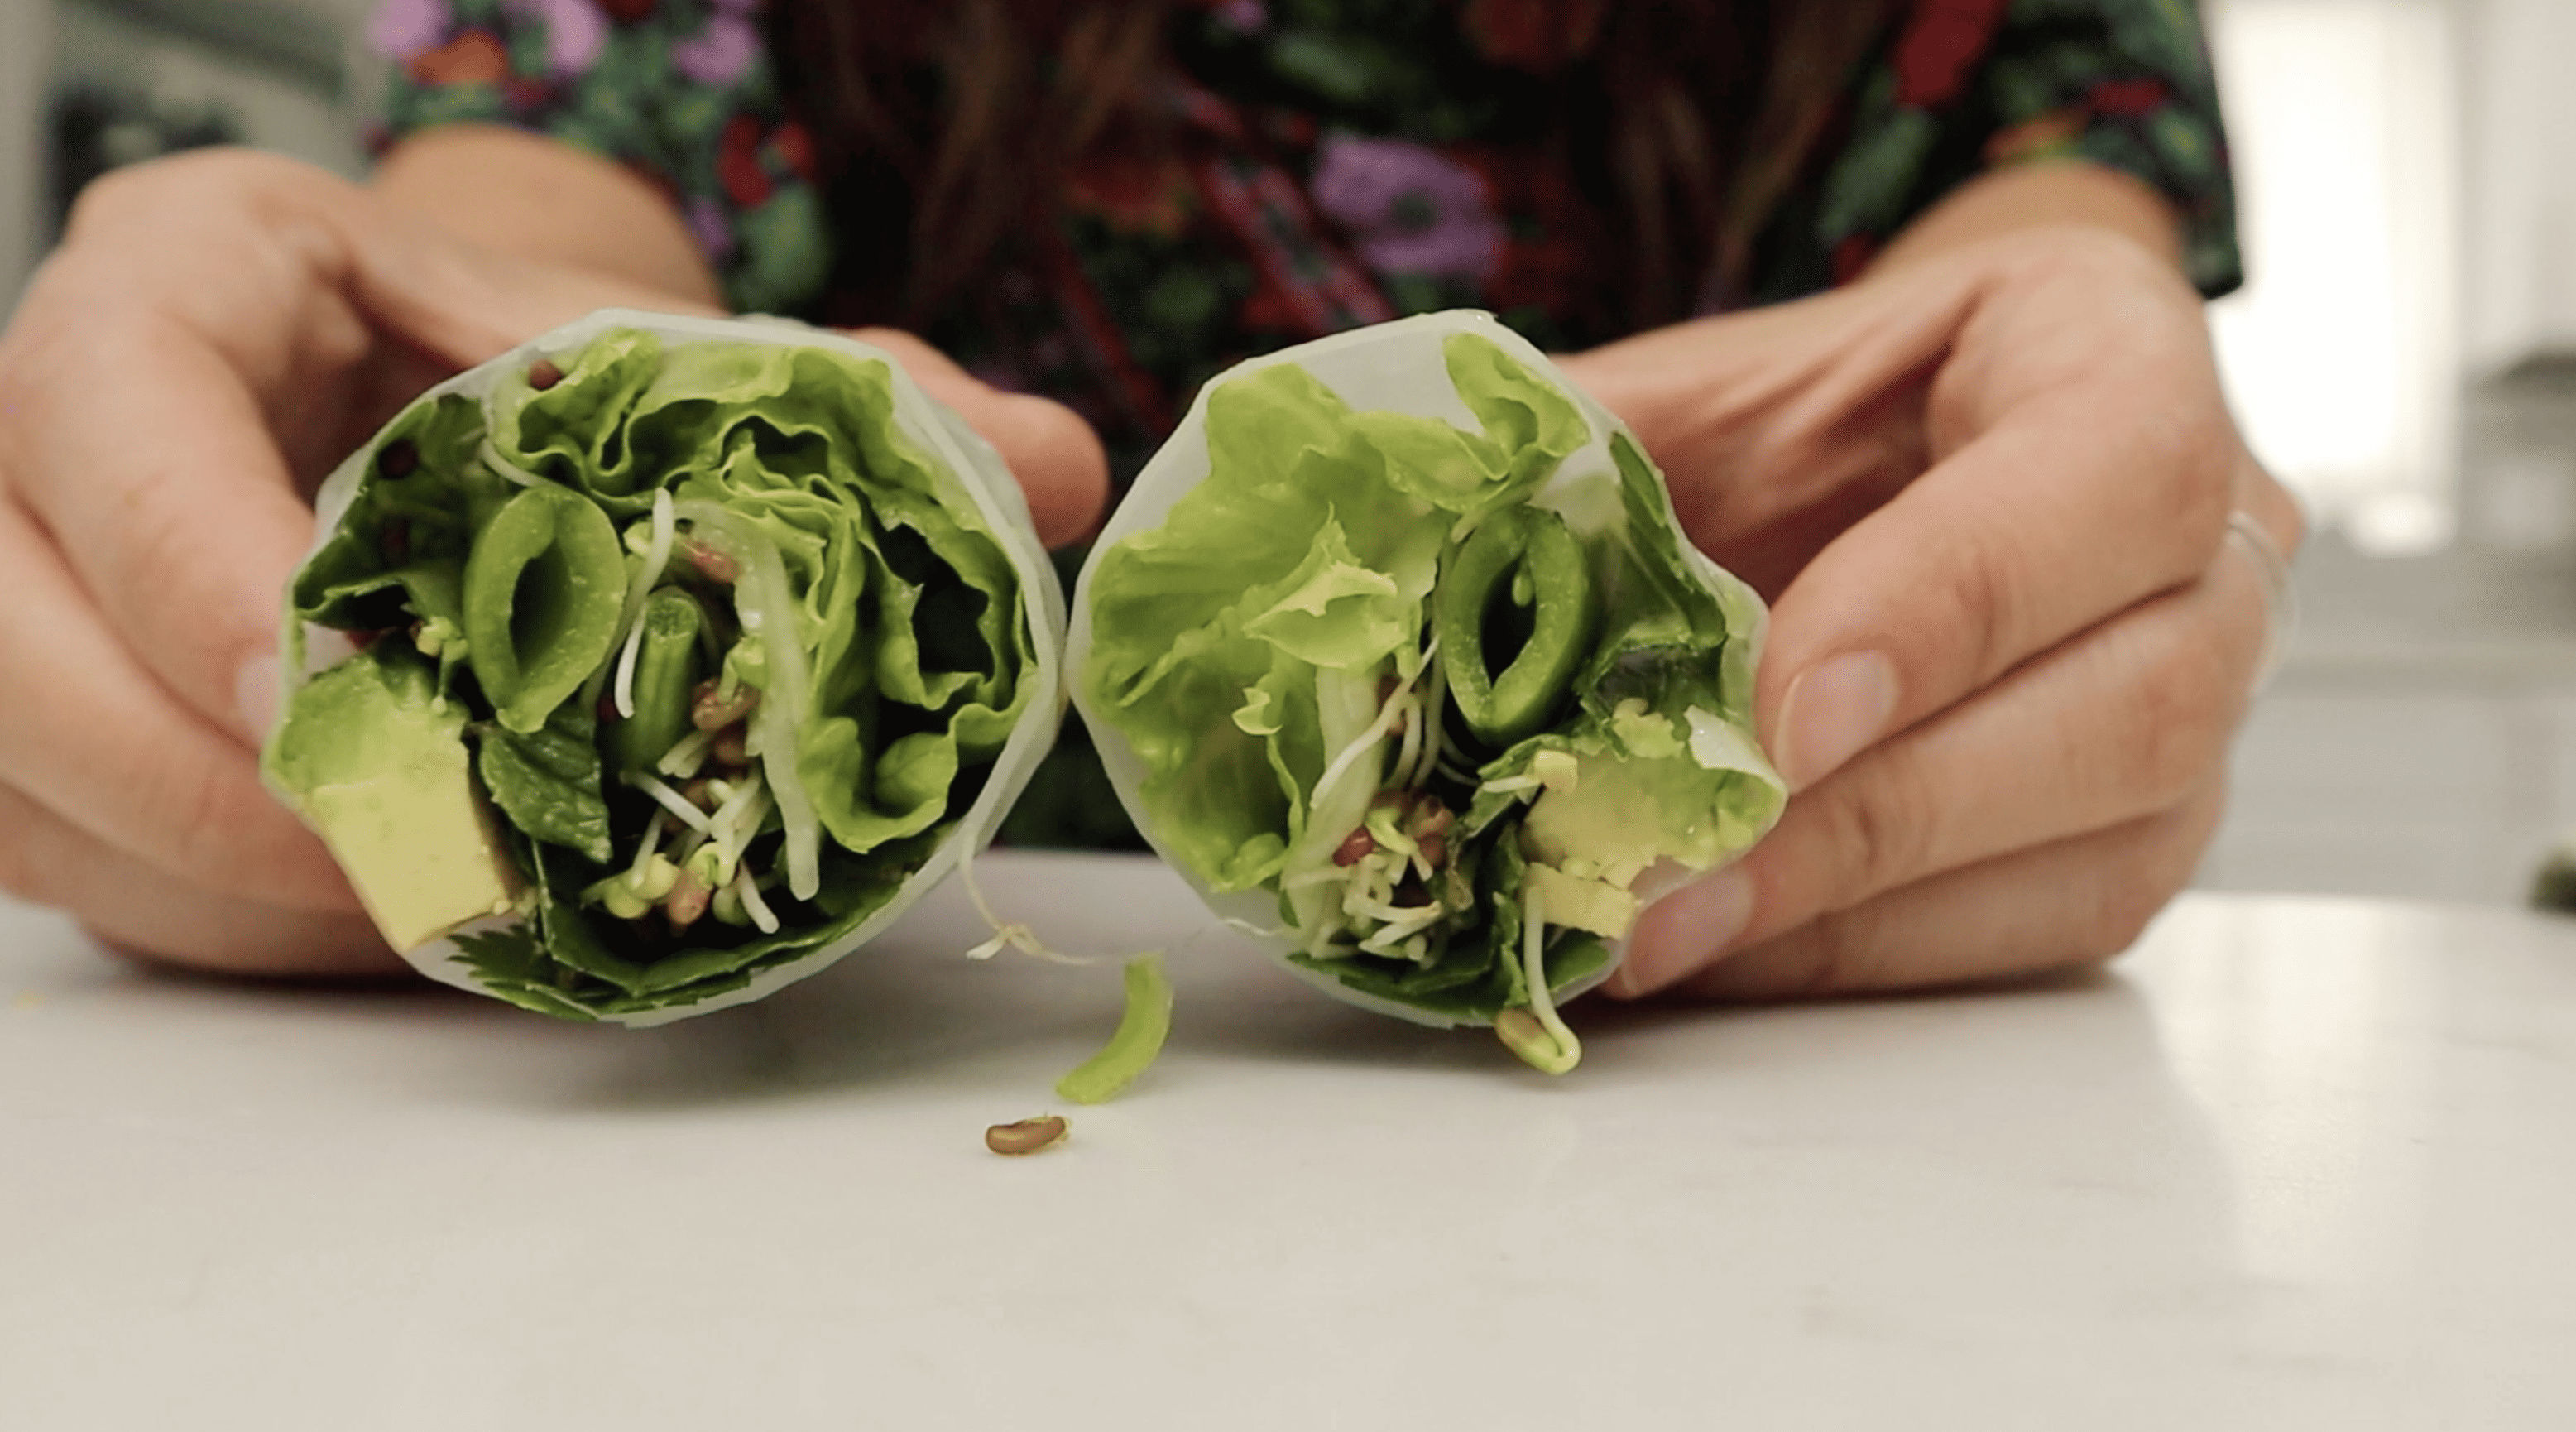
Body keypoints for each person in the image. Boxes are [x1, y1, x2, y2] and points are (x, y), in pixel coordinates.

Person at [0, 0, 2299, 1002]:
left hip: (1695, 1081)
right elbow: (536, 236)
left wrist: (2068, 493)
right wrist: (403, 457)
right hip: (857, 1069)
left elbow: (2023, 281)